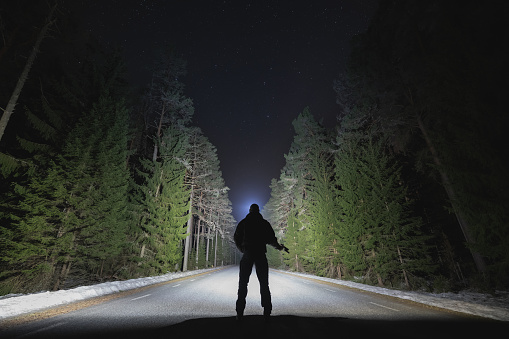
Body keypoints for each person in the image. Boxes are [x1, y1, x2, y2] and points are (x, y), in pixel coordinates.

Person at [234, 203, 288, 321]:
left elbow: (236, 237)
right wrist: (279, 247)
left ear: (249, 211)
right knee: (264, 283)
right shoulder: (264, 223)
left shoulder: (243, 223)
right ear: (258, 211)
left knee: (243, 283)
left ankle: (240, 312)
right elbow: (271, 239)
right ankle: (267, 311)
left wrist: (242, 249)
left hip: (248, 253)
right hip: (260, 254)